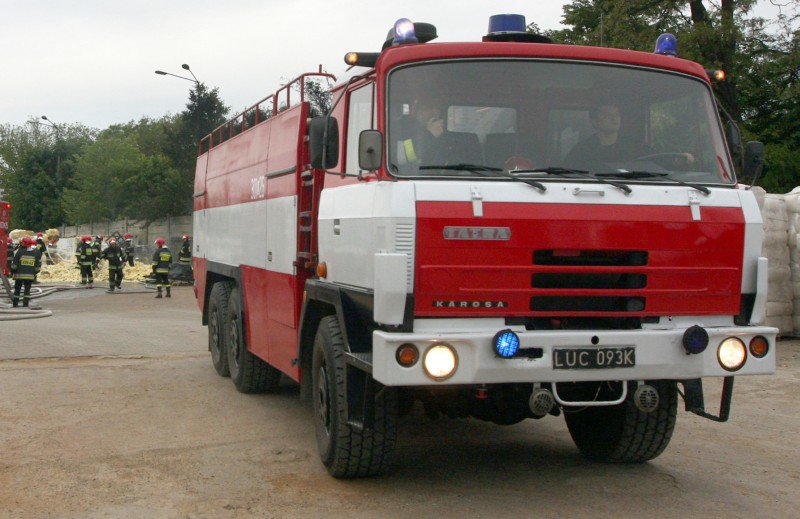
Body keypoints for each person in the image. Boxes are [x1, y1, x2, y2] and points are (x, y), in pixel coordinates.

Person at [563, 101, 694, 171]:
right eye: (607, 115)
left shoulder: (635, 146)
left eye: (617, 114)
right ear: (594, 121)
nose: (614, 118)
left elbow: (659, 163)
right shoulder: (582, 150)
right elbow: (566, 176)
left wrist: (678, 160)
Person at [394, 98, 447, 167]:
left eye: (438, 108)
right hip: (411, 175)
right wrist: (430, 134)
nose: (435, 112)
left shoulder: (444, 132)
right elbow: (403, 157)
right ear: (418, 109)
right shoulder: (401, 128)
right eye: (429, 107)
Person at [9, 237, 40, 308]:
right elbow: (37, 267)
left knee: (17, 290)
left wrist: (12, 272)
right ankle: (25, 304)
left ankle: (15, 304)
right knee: (27, 290)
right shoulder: (34, 253)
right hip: (30, 276)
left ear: (23, 243)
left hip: (19, 276)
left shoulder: (19, 252)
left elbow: (14, 266)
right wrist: (33, 273)